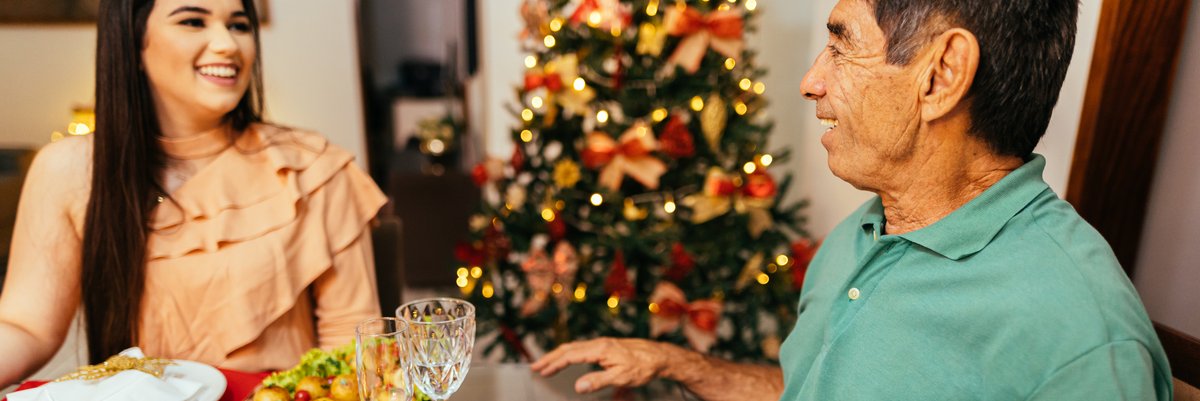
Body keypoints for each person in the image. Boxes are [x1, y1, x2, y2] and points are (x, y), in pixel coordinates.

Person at [531, 0, 1173, 400]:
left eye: (841, 45)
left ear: (941, 75)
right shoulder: (864, 231)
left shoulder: (1081, 344)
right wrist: (678, 364)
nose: (812, 81)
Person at [0, 0, 385, 385]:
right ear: (133, 42)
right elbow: (26, 326)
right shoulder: (69, 169)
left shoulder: (313, 167)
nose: (227, 45)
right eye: (192, 21)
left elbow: (354, 347)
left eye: (238, 25)